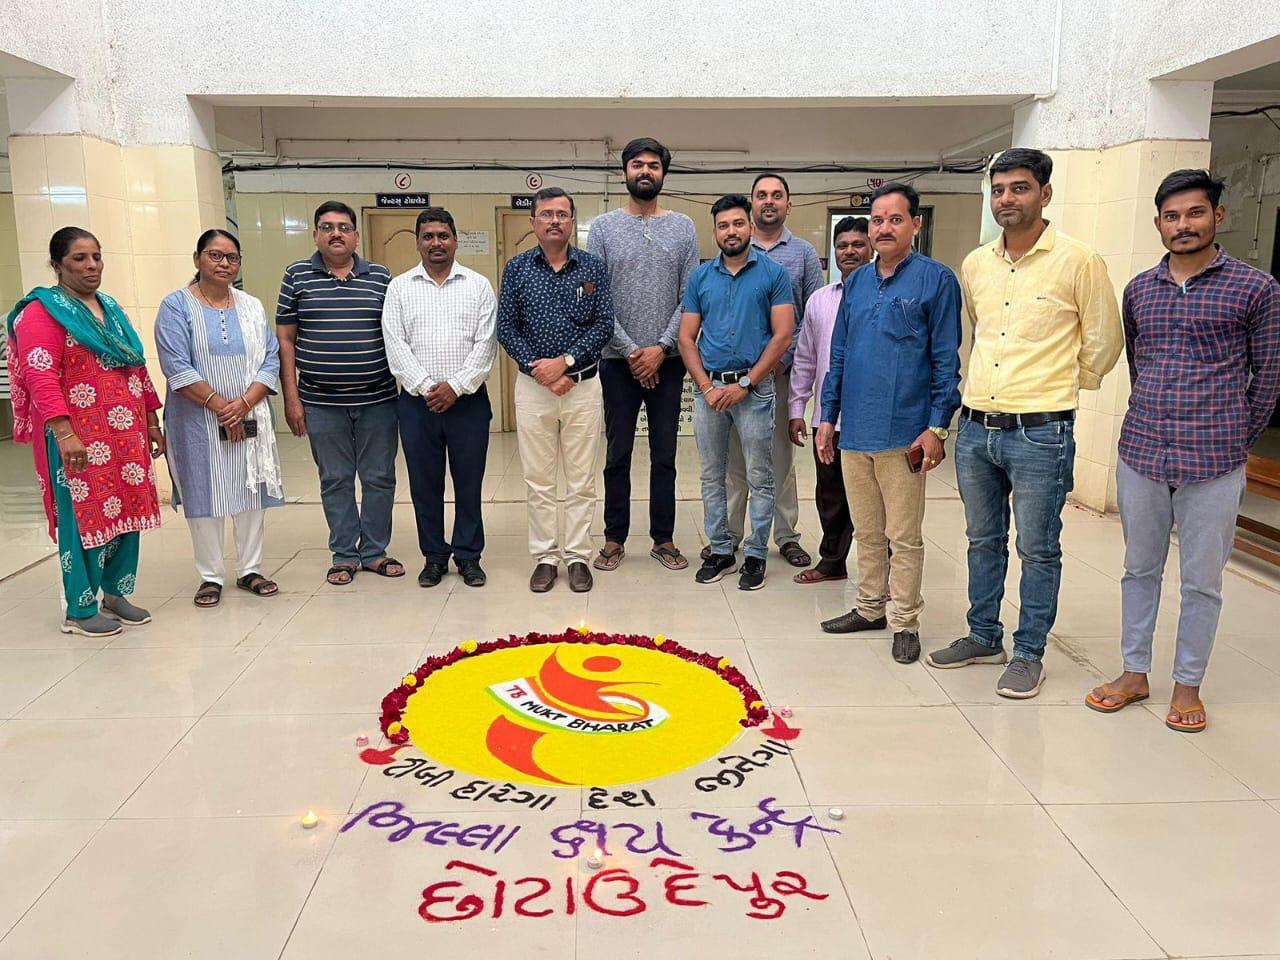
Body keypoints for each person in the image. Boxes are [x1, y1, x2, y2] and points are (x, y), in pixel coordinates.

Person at [1086, 169, 1280, 732]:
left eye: (1195, 213)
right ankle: (1133, 672)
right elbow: (1140, 362)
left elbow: (1268, 380)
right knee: (1138, 569)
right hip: (1143, 449)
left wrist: (1233, 439)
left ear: (1218, 216)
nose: (1183, 225)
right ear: (1158, 224)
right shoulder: (1140, 289)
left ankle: (1188, 684)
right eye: (1172, 216)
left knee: (1201, 580)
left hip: (1214, 461)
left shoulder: (1255, 289)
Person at [925, 149, 1122, 699]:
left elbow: (1104, 344)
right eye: (1000, 190)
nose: (1007, 199)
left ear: (1045, 194)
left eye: (1019, 188)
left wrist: (1055, 386)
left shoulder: (1080, 261)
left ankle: (1029, 651)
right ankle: (983, 635)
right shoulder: (976, 264)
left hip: (1042, 431)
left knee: (1039, 547)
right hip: (977, 428)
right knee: (981, 539)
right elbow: (981, 330)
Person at [817, 182, 962, 664]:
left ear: (915, 225)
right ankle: (869, 607)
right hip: (854, 431)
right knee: (867, 529)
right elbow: (837, 356)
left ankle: (904, 620)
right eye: (877, 220)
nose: (884, 228)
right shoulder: (856, 283)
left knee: (905, 535)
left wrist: (937, 426)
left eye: (895, 219)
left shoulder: (936, 281)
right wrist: (827, 418)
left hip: (905, 433)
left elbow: (946, 361)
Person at [6, 227, 164, 637]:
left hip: (124, 436)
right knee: (84, 517)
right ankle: (79, 607)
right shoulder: (43, 312)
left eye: (96, 256)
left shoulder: (109, 307)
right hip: (79, 438)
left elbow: (136, 364)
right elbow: (40, 374)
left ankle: (115, 593)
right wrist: (63, 431)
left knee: (126, 511)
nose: (91, 265)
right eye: (79, 258)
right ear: (57, 264)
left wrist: (150, 420)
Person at [155, 229, 285, 607]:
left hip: (248, 412)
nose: (224, 263)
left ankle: (250, 569)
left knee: (249, 490)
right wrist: (219, 405)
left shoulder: (251, 306)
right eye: (215, 255)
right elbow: (175, 365)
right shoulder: (176, 306)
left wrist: (242, 404)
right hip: (196, 419)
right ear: (197, 259)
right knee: (205, 493)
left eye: (232, 257)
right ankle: (210, 575)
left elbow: (271, 358)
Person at [276, 201, 402, 586]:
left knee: (380, 477)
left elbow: (396, 333)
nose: (336, 233)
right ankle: (345, 554)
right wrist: (291, 399)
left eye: (344, 227)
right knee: (335, 478)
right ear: (315, 234)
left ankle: (374, 552)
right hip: (320, 401)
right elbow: (285, 340)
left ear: (356, 236)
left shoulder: (381, 277)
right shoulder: (297, 276)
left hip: (379, 399)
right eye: (327, 227)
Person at [588, 136, 699, 573]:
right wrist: (634, 351)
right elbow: (597, 298)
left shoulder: (684, 227)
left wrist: (661, 348)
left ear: (663, 174)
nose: (645, 171)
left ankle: (663, 538)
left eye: (653, 165)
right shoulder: (602, 228)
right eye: (638, 164)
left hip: (669, 363)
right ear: (625, 172)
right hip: (618, 362)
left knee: (664, 455)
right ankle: (614, 538)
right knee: (616, 454)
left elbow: (690, 296)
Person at [497, 187, 614, 593]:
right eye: (546, 214)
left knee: (582, 479)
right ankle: (546, 557)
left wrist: (564, 364)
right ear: (533, 222)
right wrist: (541, 370)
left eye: (562, 214)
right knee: (539, 479)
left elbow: (604, 325)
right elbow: (506, 328)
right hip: (532, 389)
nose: (554, 221)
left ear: (572, 221)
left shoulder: (593, 268)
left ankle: (579, 556)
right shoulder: (517, 269)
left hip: (583, 386)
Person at [680, 194, 795, 590]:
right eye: (723, 226)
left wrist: (745, 384)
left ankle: (757, 555)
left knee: (760, 476)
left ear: (749, 226)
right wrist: (707, 386)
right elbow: (686, 338)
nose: (731, 231)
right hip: (708, 391)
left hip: (755, 390)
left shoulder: (773, 274)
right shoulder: (700, 278)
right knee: (712, 477)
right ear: (715, 232)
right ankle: (721, 550)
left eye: (738, 224)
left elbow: (782, 335)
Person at [709, 174, 823, 569]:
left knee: (779, 458)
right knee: (736, 461)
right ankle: (733, 535)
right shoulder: (734, 249)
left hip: (783, 373)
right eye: (762, 196)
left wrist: (782, 362)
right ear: (751, 205)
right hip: (739, 377)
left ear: (789, 204)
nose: (769, 202)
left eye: (777, 196)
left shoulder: (804, 253)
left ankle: (786, 535)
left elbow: (812, 315)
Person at [382, 207, 497, 589]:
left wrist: (456, 386)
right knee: (424, 484)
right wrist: (428, 386)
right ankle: (433, 556)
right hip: (418, 404)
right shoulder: (399, 288)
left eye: (443, 236)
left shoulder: (478, 285)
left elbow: (486, 344)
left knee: (469, 482)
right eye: (428, 236)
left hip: (468, 402)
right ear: (417, 242)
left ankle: (468, 556)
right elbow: (394, 344)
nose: (436, 243)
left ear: (455, 240)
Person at [788, 216, 871, 584]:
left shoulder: (885, 296)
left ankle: (879, 573)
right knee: (831, 495)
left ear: (871, 248)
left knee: (876, 503)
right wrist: (797, 409)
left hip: (875, 422)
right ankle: (832, 561)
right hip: (829, 420)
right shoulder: (820, 300)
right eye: (843, 246)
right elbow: (805, 358)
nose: (850, 251)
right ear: (834, 252)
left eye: (858, 244)